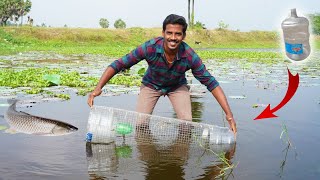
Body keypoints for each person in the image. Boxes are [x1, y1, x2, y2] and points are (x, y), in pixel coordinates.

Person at [87, 14, 237, 134]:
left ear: (183, 36)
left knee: (187, 125)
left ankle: (178, 160)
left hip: (177, 86)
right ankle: (148, 156)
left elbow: (211, 83)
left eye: (178, 34)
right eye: (169, 33)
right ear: (163, 33)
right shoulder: (149, 48)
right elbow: (119, 64)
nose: (173, 38)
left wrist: (229, 115)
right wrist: (98, 88)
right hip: (151, 85)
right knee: (141, 124)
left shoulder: (190, 56)